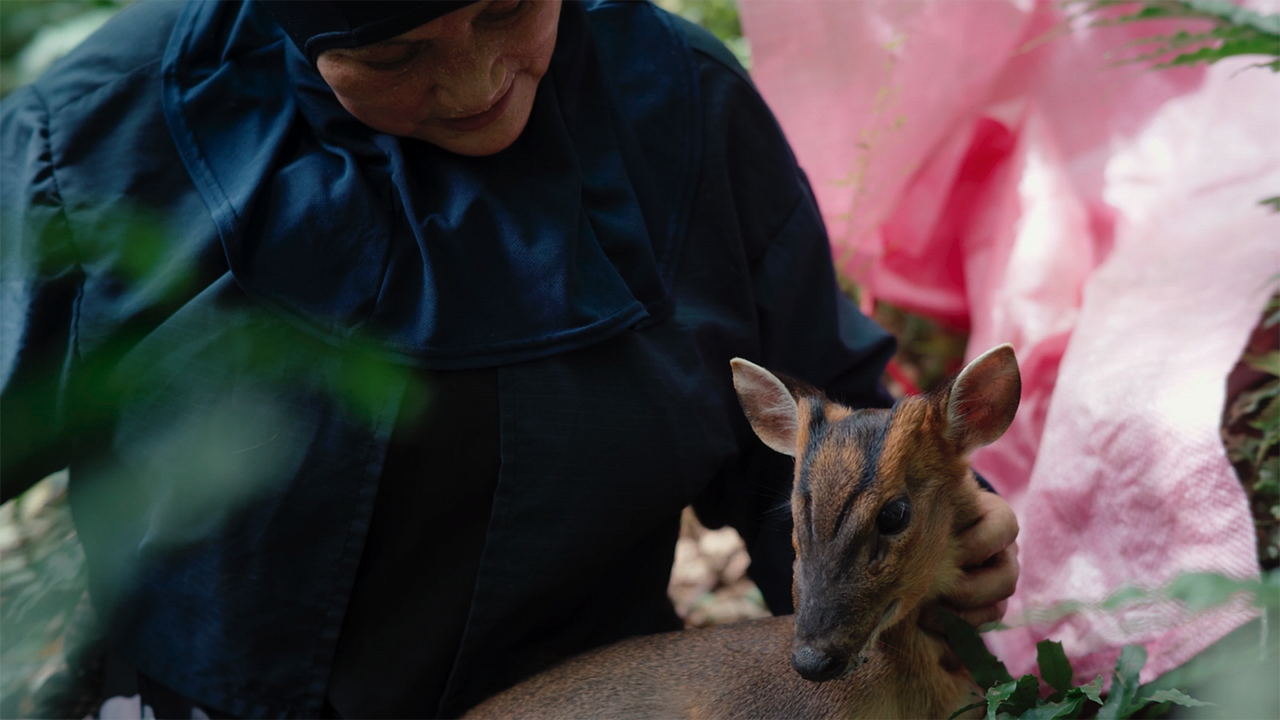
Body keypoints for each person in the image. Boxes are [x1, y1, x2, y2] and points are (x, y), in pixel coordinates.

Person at [0, 0, 1021, 718]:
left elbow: (813, 445)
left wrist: (933, 528)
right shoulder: (101, 139)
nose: (476, 79)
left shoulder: (680, 112)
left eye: (504, 9)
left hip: (597, 698)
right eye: (395, 54)